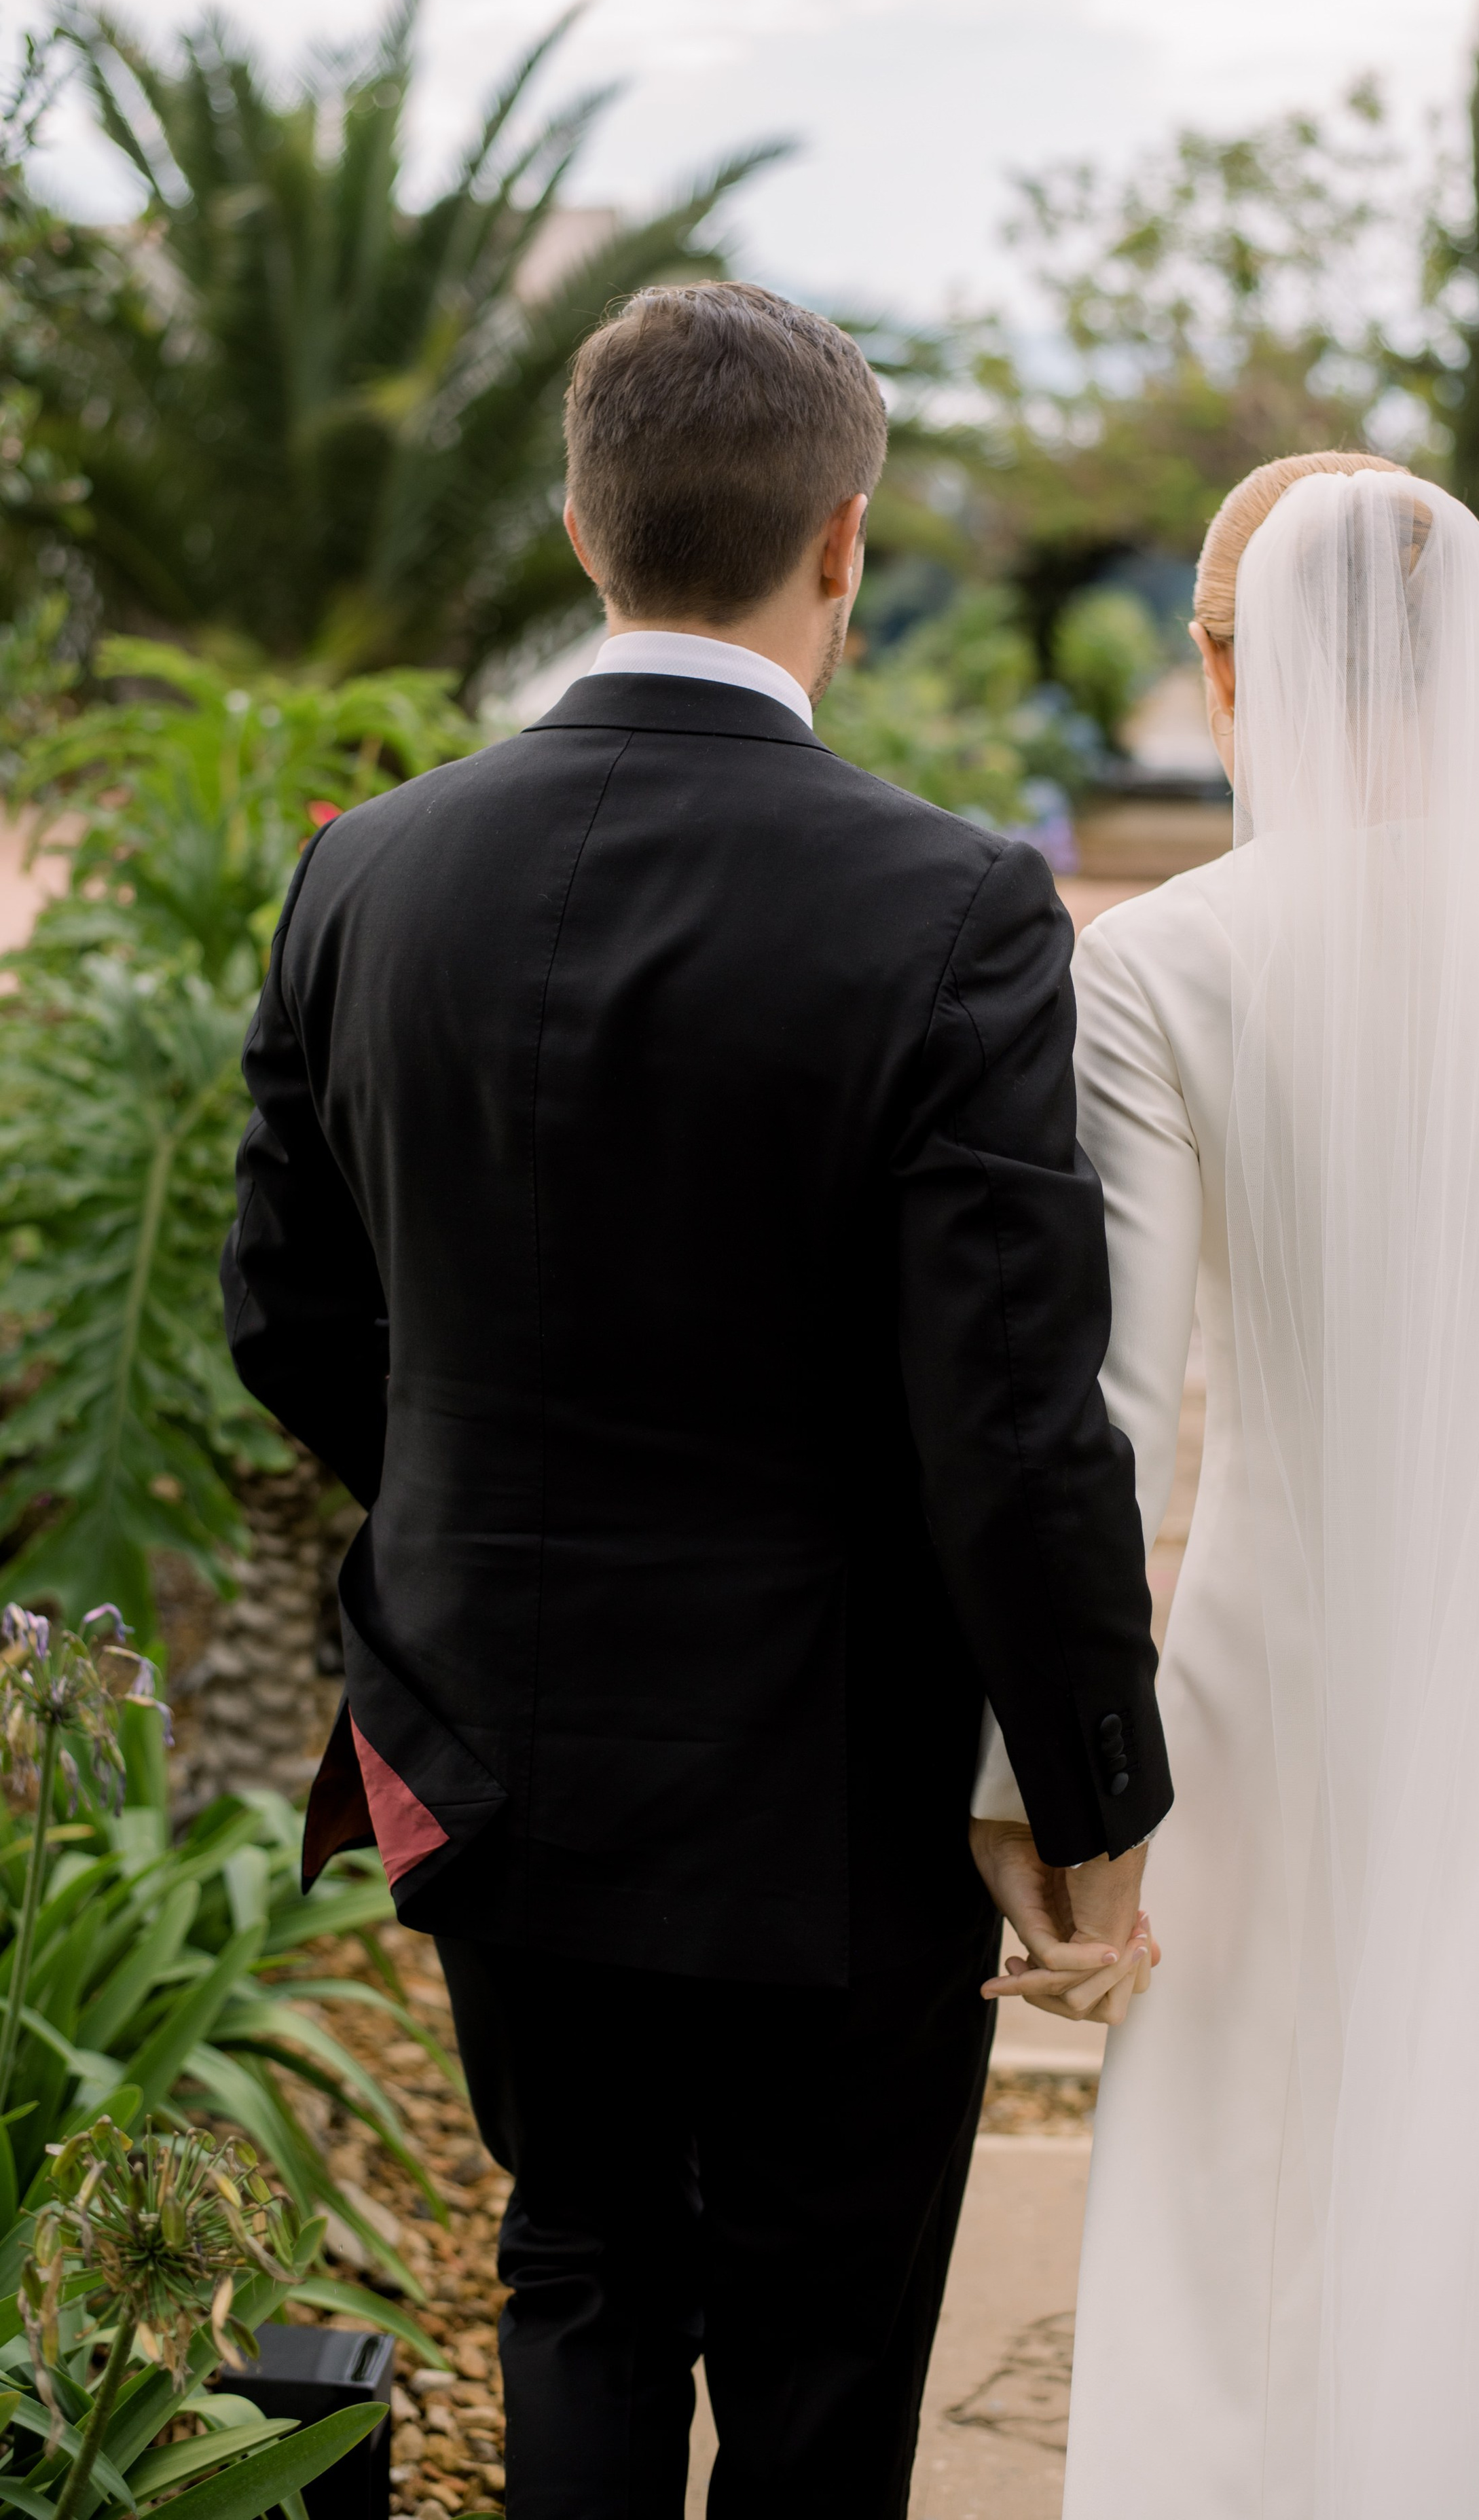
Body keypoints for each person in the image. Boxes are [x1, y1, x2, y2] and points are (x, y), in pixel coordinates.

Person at [219, 278, 1165, 2520]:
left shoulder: (366, 870)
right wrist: (1093, 1802)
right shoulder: (952, 905)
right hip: (825, 1784)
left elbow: (285, 1309)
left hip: (485, 1737)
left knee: (582, 2275)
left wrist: (466, 1497)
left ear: (580, 525)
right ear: (844, 543)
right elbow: (1012, 1424)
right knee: (829, 2350)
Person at [975, 453, 1479, 2517]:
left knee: (1270, 2217)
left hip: (1286, 1684)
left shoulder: (1155, 965)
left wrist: (1041, 1790)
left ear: (1233, 678)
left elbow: (1101, 1428)